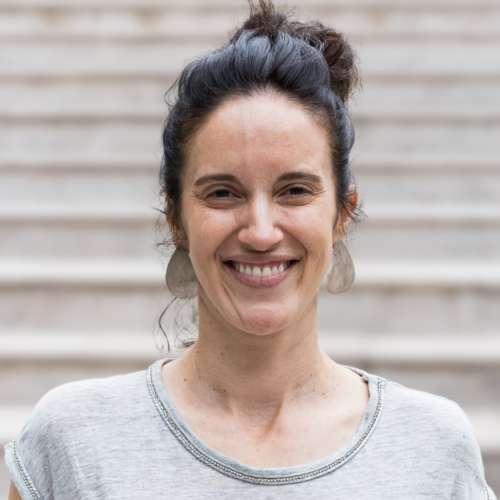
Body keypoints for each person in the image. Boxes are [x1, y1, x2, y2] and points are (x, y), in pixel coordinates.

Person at [5, 1, 495, 498]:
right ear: (176, 219)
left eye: (295, 191)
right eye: (223, 193)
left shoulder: (434, 448)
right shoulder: (72, 440)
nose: (261, 233)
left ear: (342, 214)